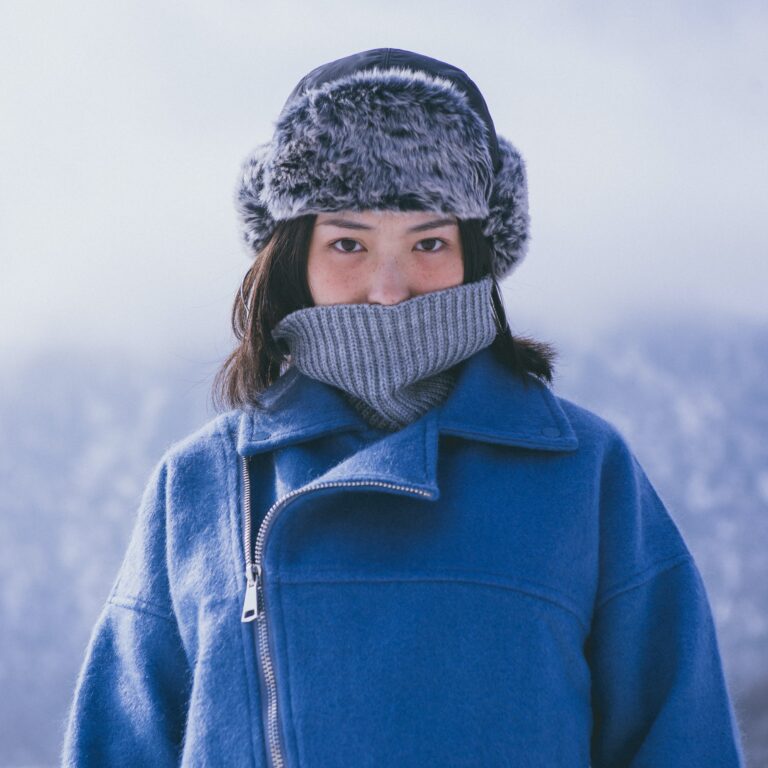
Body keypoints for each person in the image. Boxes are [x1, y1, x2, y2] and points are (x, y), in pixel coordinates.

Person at [61, 48, 746, 767]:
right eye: (348, 242)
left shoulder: (586, 471)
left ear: (474, 255)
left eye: (428, 241)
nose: (390, 288)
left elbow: (681, 740)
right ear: (293, 258)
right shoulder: (200, 483)